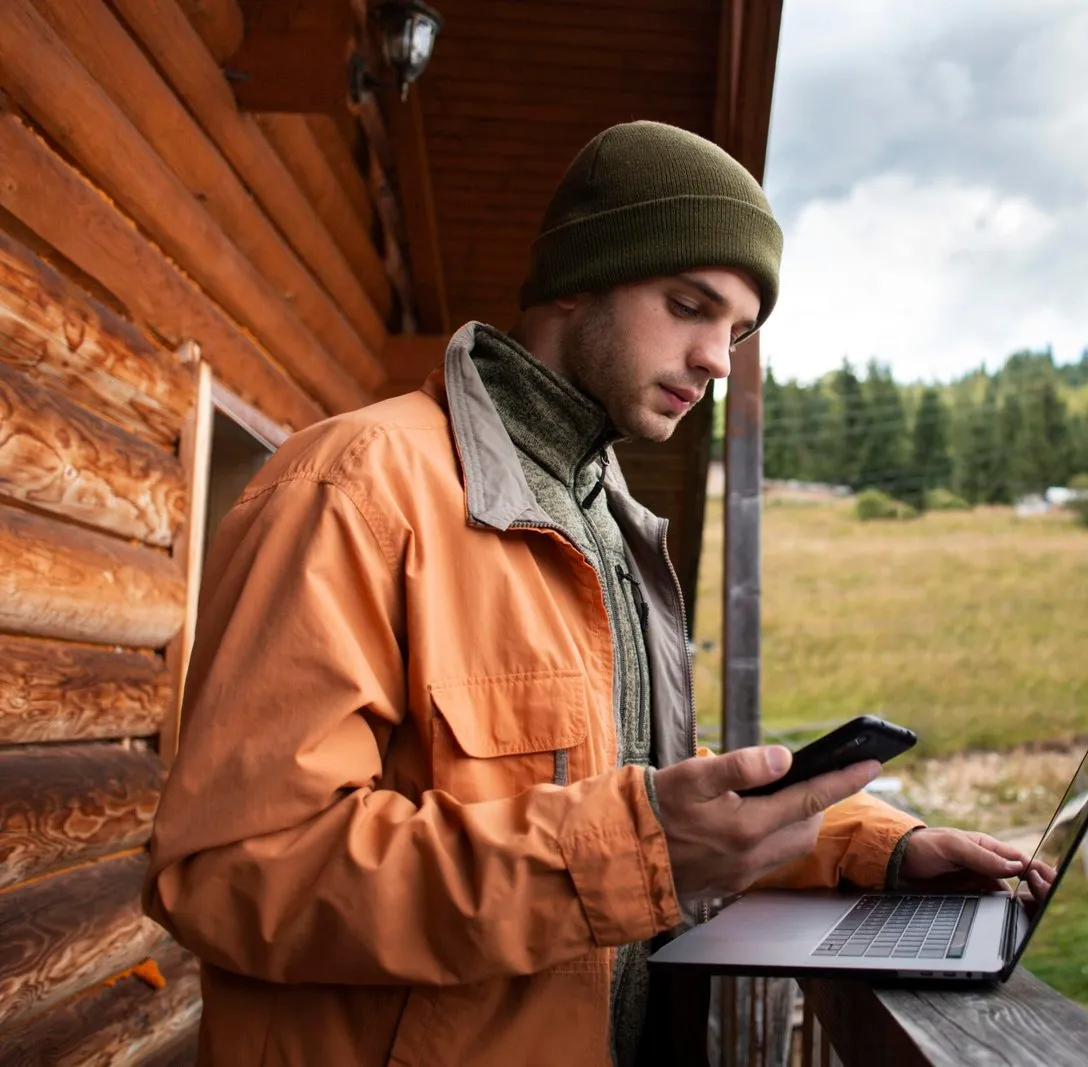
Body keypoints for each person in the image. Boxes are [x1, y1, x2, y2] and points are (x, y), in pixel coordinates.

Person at [143, 121, 1026, 1067]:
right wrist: (628, 851)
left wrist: (872, 846)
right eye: (691, 305)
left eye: (736, 331)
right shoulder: (353, 484)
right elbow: (236, 869)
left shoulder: (617, 526)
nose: (720, 359)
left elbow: (631, 779)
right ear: (579, 274)